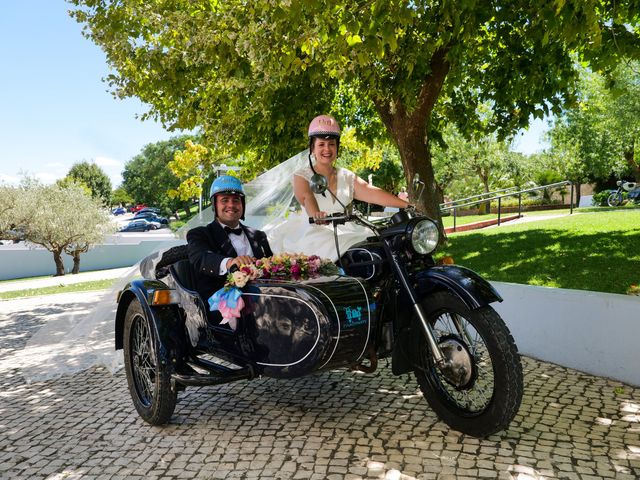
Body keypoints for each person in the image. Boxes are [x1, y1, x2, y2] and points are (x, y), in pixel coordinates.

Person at [268, 114, 411, 260]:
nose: (327, 149)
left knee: (379, 241)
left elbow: (371, 192)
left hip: (343, 229)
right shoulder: (302, 176)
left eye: (332, 144)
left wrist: (407, 205)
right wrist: (316, 215)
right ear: (312, 148)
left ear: (337, 147)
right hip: (314, 231)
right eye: (321, 144)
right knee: (348, 246)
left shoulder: (346, 176)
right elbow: (307, 196)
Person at [187, 175, 273, 311]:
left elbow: (271, 268)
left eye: (236, 200)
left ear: (242, 205)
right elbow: (201, 258)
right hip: (220, 307)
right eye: (224, 200)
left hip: (265, 303)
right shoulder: (199, 234)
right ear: (214, 205)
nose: (231, 205)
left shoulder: (258, 236)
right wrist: (230, 263)